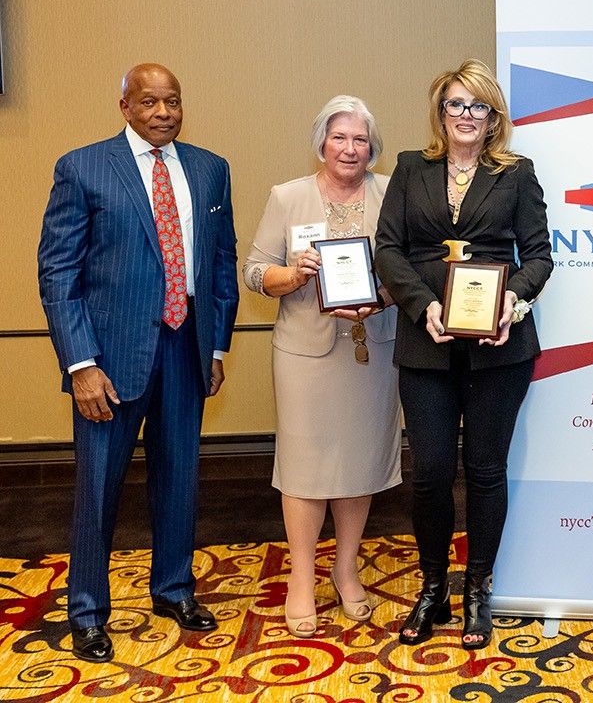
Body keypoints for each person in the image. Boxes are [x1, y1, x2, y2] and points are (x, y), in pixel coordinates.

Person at [37, 63, 239, 663]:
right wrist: (80, 365)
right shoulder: (83, 167)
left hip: (186, 349)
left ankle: (173, 589)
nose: (163, 112)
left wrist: (218, 345)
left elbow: (222, 264)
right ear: (124, 105)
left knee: (180, 480)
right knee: (98, 489)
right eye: (149, 101)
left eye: (172, 101)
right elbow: (57, 273)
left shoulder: (209, 169)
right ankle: (88, 611)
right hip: (109, 361)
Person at [374, 59, 551, 650]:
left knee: (484, 471)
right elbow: (389, 250)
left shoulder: (518, 174)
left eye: (478, 106)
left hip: (500, 349)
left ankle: (478, 588)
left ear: (493, 116)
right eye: (456, 104)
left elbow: (540, 258)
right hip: (425, 343)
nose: (467, 116)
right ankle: (433, 589)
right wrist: (423, 304)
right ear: (440, 112)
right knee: (428, 474)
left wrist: (512, 306)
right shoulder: (409, 168)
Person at [242, 95, 401, 637]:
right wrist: (292, 275)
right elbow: (254, 271)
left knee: (360, 462)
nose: (349, 149)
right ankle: (303, 579)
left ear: (372, 148)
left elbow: (410, 268)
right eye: (339, 138)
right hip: (304, 354)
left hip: (372, 350)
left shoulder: (391, 194)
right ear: (321, 143)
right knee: (306, 468)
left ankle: (346, 568)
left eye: (360, 140)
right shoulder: (287, 197)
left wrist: (382, 294)